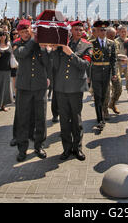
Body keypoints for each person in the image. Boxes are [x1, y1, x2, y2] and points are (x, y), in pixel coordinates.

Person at [52, 21, 92, 161]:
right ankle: (66, 149)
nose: (78, 31)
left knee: (76, 119)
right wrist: (55, 49)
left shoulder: (87, 46)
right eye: (76, 29)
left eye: (80, 29)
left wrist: (70, 54)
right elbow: (54, 65)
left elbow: (85, 65)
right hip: (61, 87)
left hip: (76, 88)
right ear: (71, 30)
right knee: (64, 120)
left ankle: (78, 148)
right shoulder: (62, 44)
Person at [13, 19, 51, 162]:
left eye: (27, 31)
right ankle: (22, 149)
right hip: (24, 87)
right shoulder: (17, 44)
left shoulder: (39, 44)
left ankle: (39, 145)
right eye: (22, 32)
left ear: (31, 30)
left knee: (40, 118)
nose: (25, 34)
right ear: (19, 33)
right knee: (23, 118)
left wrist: (44, 48)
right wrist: (34, 41)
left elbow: (47, 63)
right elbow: (21, 54)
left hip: (39, 87)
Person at [90, 21, 117, 131]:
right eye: (101, 30)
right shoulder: (91, 43)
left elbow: (113, 60)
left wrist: (114, 73)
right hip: (95, 72)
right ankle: (100, 119)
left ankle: (103, 112)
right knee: (97, 96)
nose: (103, 32)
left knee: (104, 95)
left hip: (106, 72)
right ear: (96, 31)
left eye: (104, 30)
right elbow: (89, 60)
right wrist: (88, 75)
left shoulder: (111, 43)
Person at [103, 27, 122, 116]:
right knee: (106, 92)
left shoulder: (116, 43)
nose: (112, 38)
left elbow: (115, 56)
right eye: (110, 36)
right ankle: (104, 110)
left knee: (118, 89)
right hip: (104, 70)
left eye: (114, 36)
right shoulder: (101, 43)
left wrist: (121, 57)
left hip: (115, 69)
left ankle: (112, 104)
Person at [115, 25, 128, 103]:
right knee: (117, 82)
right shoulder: (116, 41)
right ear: (118, 32)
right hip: (119, 63)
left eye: (125, 31)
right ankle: (115, 97)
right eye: (121, 32)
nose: (123, 33)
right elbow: (115, 53)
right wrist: (122, 57)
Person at [0, 31, 13, 112]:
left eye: (4, 35)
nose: (2, 37)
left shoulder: (9, 45)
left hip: (7, 69)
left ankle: (3, 105)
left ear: (6, 37)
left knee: (6, 88)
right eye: (0, 36)